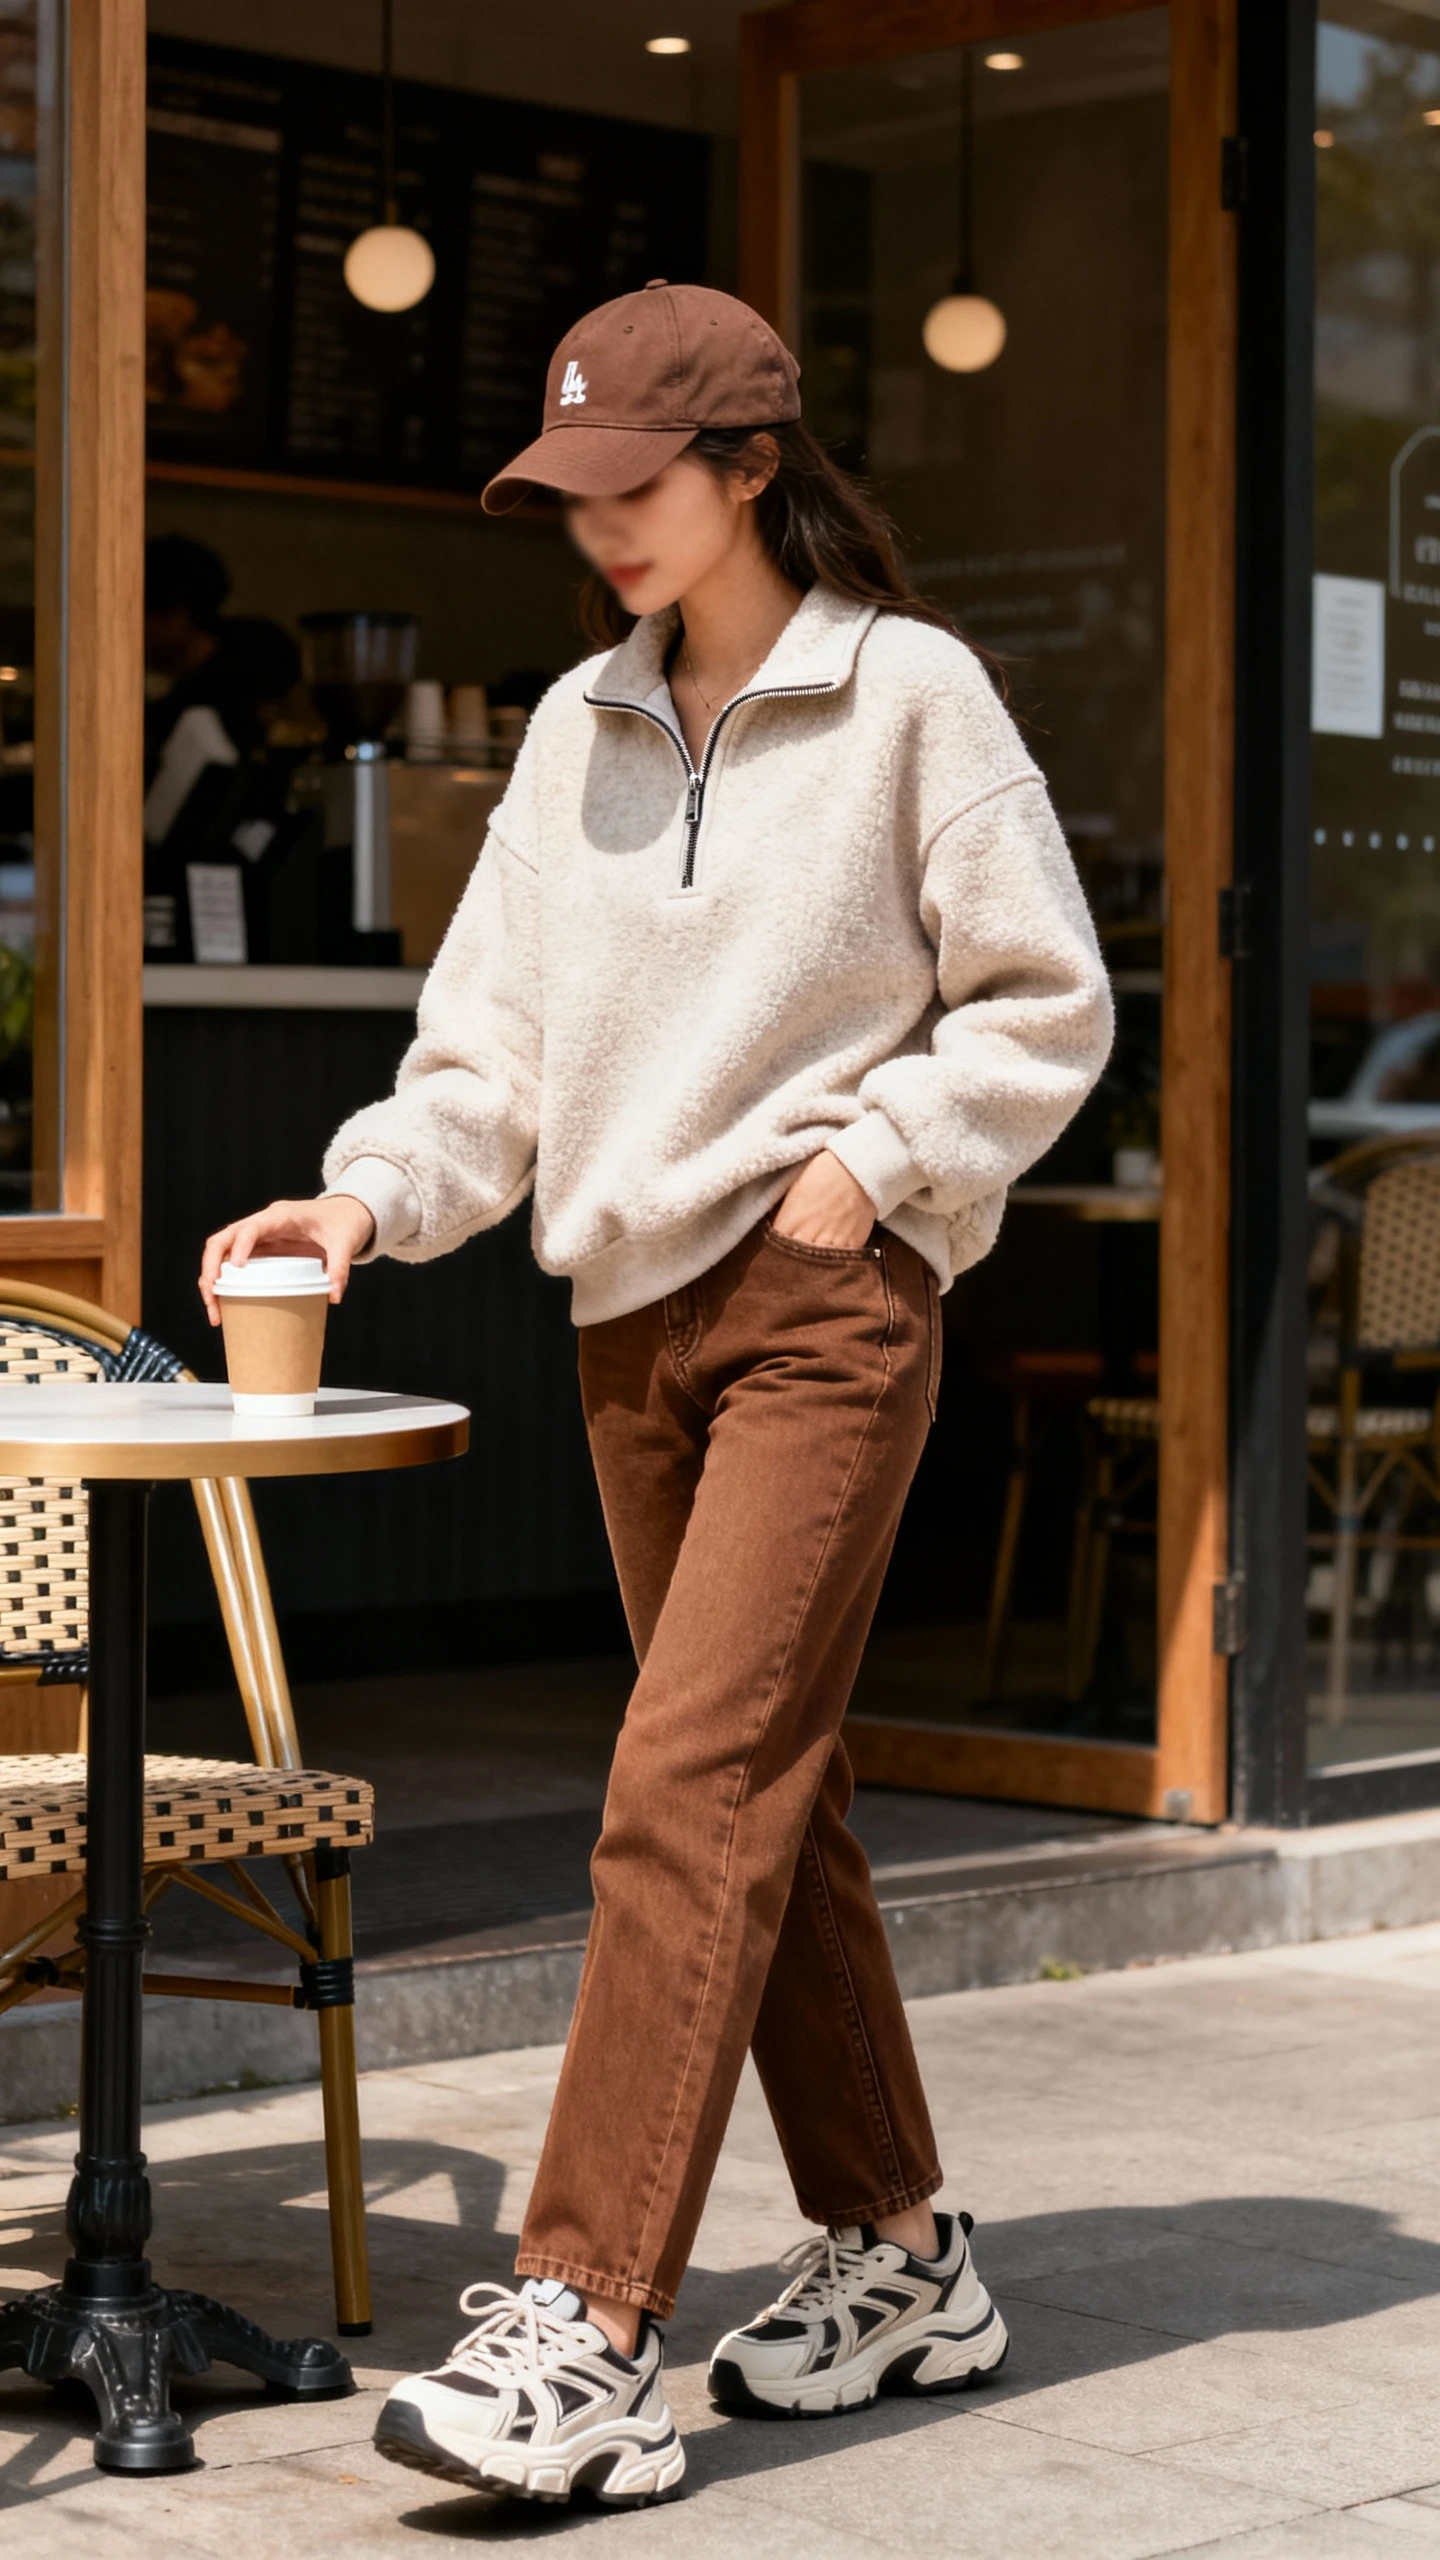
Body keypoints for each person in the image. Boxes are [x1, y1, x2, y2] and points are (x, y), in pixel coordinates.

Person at [199, 281, 1113, 2512]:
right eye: (570, 491)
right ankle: (905, 2250)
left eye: (635, 485)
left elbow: (1043, 1000)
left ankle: (588, 2319)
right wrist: (361, 1203)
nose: (598, 527)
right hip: (627, 1329)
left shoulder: (913, 697)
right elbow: (485, 1058)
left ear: (749, 469)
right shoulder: (573, 733)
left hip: (824, 1310)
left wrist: (875, 1172)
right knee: (754, 1796)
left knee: (680, 1779)